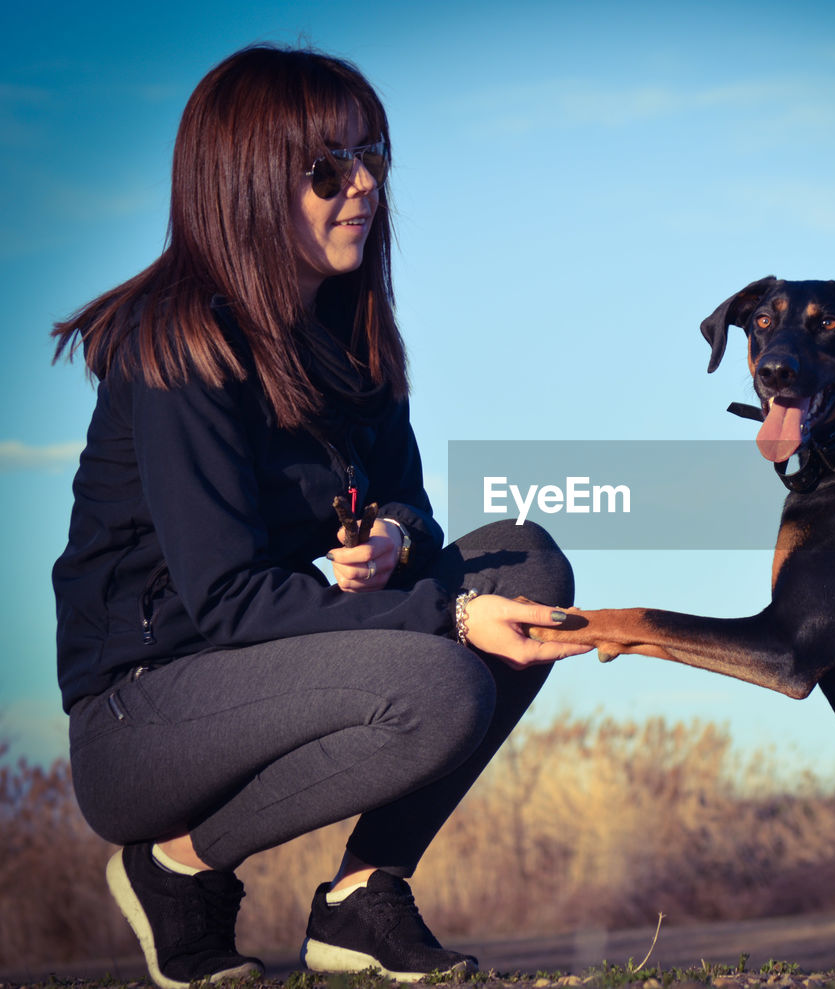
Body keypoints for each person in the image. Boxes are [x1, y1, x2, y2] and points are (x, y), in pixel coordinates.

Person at [50, 44, 589, 989]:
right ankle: (173, 866)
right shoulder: (177, 341)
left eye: (373, 156)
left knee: (527, 566)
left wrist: (392, 534)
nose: (365, 186)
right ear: (247, 184)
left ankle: (362, 898)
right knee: (441, 683)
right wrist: (450, 616)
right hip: (143, 714)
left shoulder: (349, 329)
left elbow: (411, 501)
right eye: (327, 168)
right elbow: (226, 598)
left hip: (280, 665)